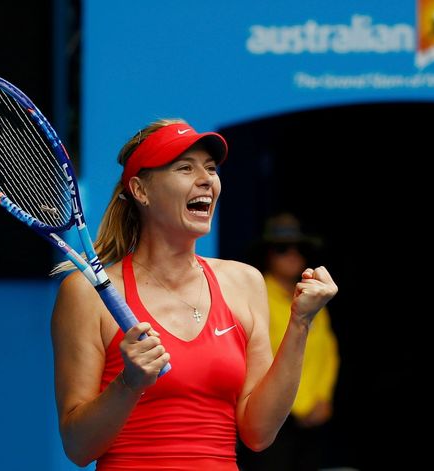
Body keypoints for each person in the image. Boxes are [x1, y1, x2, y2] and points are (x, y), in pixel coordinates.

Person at [50, 118, 338, 470]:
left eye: (211, 168)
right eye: (185, 168)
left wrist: (300, 323)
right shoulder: (84, 294)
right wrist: (129, 383)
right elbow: (78, 447)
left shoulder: (244, 282)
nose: (206, 179)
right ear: (141, 191)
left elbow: (259, 432)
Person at [238, 213, 340, 471]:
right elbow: (255, 358)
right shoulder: (256, 296)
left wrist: (323, 398)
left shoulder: (315, 297)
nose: (293, 254)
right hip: (272, 420)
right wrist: (296, 405)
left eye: (300, 248)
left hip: (314, 420)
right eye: (283, 248)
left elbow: (328, 354)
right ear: (268, 254)